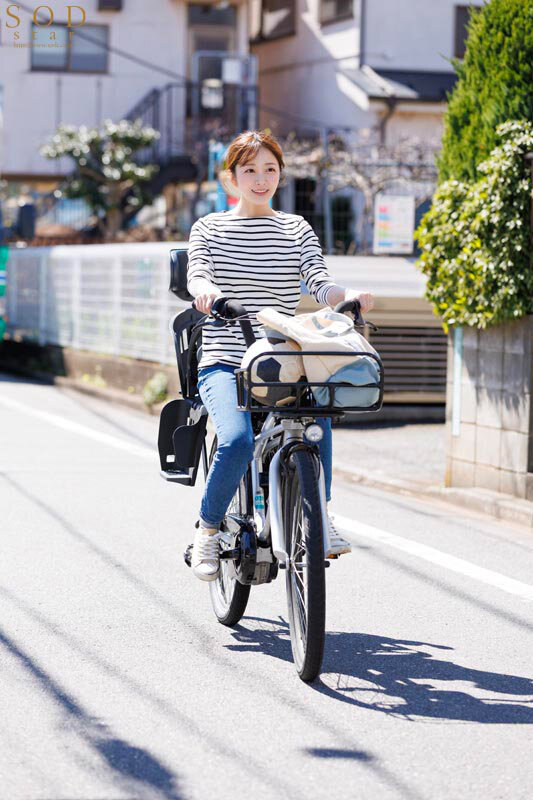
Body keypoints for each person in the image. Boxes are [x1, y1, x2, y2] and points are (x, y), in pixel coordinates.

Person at [186, 130, 374, 581]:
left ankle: (320, 516)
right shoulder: (209, 228)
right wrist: (208, 294)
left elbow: (317, 280)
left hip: (281, 358)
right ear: (230, 177)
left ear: (280, 175)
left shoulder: (295, 228)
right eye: (249, 169)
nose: (260, 178)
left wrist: (347, 295)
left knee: (316, 420)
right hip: (226, 357)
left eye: (270, 169)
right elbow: (199, 274)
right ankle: (208, 530)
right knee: (234, 441)